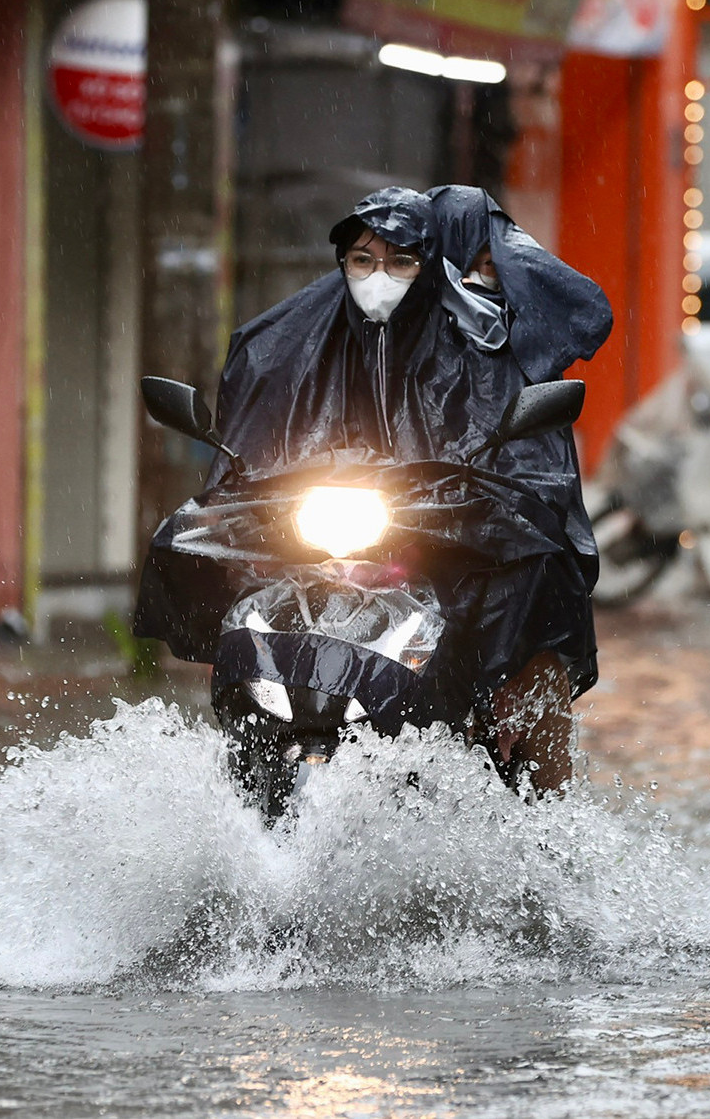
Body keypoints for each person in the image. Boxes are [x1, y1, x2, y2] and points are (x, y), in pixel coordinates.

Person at [138, 186, 609, 793]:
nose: (377, 276)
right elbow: (262, 440)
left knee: (537, 639)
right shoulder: (295, 344)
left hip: (450, 551)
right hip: (328, 541)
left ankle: (548, 838)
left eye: (399, 261)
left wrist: (479, 499)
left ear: (430, 262)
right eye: (361, 260)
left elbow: (530, 477)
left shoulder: (486, 349)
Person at [425, 185, 612, 792]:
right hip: (403, 535)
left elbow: (584, 308)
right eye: (473, 261)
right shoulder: (394, 344)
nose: (487, 275)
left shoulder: (518, 346)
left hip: (507, 544)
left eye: (495, 262)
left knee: (533, 627)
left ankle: (549, 828)